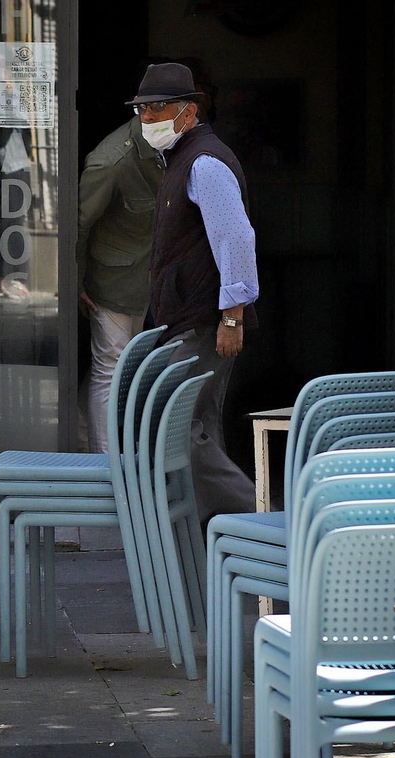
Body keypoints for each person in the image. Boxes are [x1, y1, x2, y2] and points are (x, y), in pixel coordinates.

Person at [131, 61, 258, 518]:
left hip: (204, 320)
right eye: (142, 109)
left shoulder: (204, 162)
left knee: (178, 427)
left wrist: (232, 317)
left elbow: (235, 238)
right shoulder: (180, 158)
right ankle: (224, 535)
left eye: (158, 108)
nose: (148, 117)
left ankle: (258, 519)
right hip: (188, 317)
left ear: (189, 110)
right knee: (198, 425)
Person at [75, 110, 164, 450]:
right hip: (112, 281)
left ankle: (83, 438)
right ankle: (103, 463)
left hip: (144, 278)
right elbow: (79, 224)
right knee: (110, 369)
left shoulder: (168, 145)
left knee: (116, 367)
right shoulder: (111, 161)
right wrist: (75, 282)